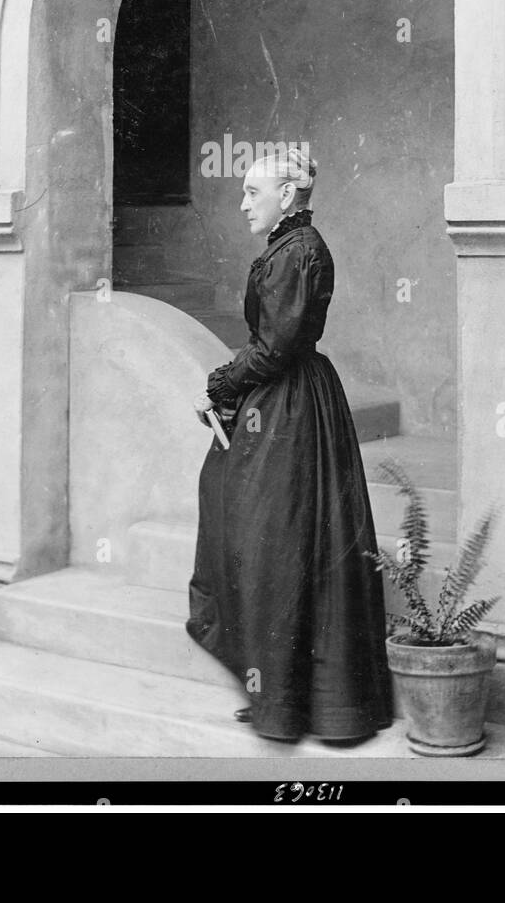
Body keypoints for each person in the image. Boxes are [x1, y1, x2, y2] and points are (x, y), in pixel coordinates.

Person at [186, 147, 393, 742]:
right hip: (285, 402)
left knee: (279, 542)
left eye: (253, 191)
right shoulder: (291, 249)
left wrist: (220, 383)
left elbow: (277, 348)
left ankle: (296, 705)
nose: (243, 202)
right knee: (270, 540)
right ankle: (279, 696)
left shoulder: (298, 252)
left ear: (286, 195)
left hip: (292, 408)